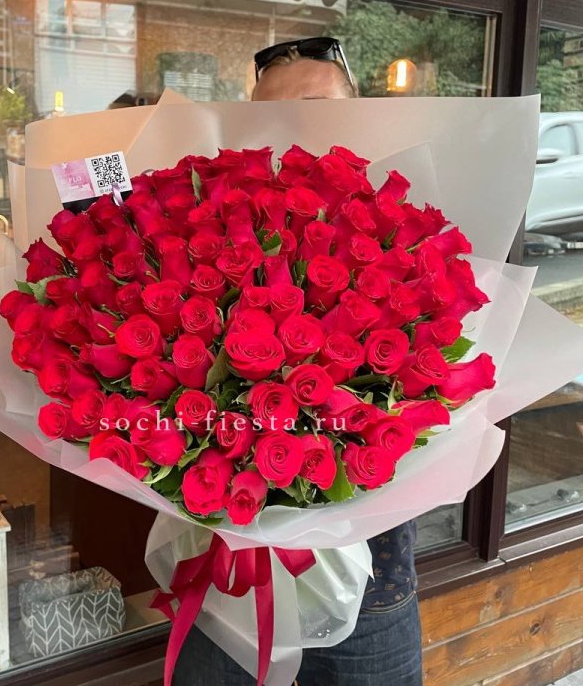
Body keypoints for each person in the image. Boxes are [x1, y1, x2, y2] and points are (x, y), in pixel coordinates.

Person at [172, 37, 423, 686]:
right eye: (268, 114)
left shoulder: (403, 227)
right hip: (230, 579)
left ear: (358, 115)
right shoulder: (205, 229)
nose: (291, 128)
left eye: (316, 108)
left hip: (372, 585)